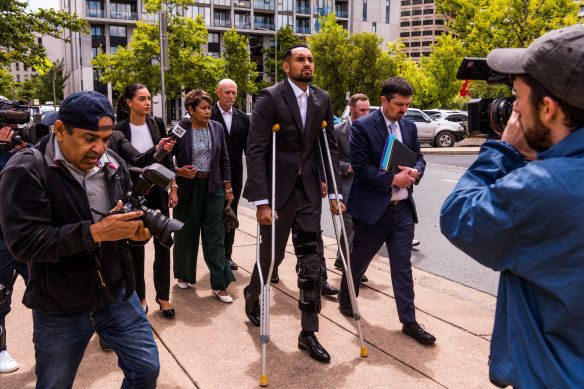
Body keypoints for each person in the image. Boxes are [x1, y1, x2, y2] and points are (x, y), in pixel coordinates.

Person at [440, 25, 584, 388]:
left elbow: (458, 215)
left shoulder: (542, 187)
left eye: (518, 97)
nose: (512, 108)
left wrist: (502, 151)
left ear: (548, 108)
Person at [0, 91, 160, 387]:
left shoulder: (113, 163)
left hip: (116, 293)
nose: (99, 149)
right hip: (59, 305)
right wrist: (95, 232)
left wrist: (134, 231)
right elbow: (23, 243)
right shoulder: (26, 169)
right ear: (60, 130)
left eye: (106, 138)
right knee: (54, 384)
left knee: (146, 369)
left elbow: (122, 213)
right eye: (89, 139)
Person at [242, 44, 344, 363]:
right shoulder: (270, 97)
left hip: (309, 193)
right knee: (270, 257)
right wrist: (260, 200)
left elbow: (330, 147)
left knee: (311, 261)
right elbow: (256, 149)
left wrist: (336, 191)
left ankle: (308, 332)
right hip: (277, 192)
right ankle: (253, 293)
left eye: (311, 59)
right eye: (301, 59)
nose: (307, 63)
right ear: (287, 67)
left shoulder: (322, 98)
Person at [338, 77, 436, 346]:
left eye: (407, 105)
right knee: (359, 260)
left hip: (403, 209)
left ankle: (409, 321)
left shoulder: (409, 126)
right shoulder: (362, 127)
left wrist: (417, 171)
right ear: (384, 101)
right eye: (399, 104)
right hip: (373, 210)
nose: (404, 110)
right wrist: (392, 180)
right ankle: (346, 295)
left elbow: (419, 157)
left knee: (402, 266)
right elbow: (361, 167)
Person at [115, 83, 178, 317]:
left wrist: (173, 186)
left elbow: (166, 159)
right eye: (142, 99)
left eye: (149, 98)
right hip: (134, 192)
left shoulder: (157, 124)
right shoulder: (119, 129)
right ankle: (139, 297)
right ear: (129, 103)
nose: (148, 103)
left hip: (159, 189)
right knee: (136, 248)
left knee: (163, 244)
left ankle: (163, 297)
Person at [173, 89, 236, 303]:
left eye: (209, 108)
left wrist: (228, 188)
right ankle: (184, 274)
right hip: (187, 188)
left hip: (213, 188)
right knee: (185, 233)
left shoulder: (217, 128)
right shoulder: (181, 128)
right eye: (203, 108)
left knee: (215, 237)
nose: (208, 112)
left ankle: (220, 285)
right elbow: (163, 156)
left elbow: (225, 160)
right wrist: (178, 171)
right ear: (191, 110)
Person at [211, 79, 249, 271]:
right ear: (218, 93)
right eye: (227, 93)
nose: (231, 97)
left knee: (230, 215)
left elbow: (250, 150)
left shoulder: (243, 118)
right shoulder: (208, 114)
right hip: (211, 175)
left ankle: (227, 255)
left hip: (234, 175)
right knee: (214, 217)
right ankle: (215, 256)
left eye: (234, 93)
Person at [0, 123, 30, 373]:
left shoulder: (25, 146)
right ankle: (0, 349)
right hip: (1, 238)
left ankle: (48, 346)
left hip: (33, 234)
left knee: (48, 294)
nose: (10, 130)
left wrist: (23, 149)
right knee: (0, 299)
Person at [333, 93, 371, 283]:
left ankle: (341, 259)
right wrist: (348, 167)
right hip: (348, 185)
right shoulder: (339, 130)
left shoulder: (372, 129)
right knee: (351, 227)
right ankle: (352, 268)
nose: (366, 113)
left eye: (368, 110)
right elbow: (331, 160)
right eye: (362, 110)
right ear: (353, 109)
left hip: (369, 186)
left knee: (356, 228)